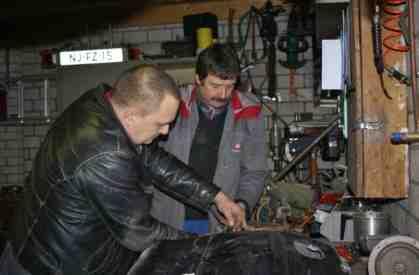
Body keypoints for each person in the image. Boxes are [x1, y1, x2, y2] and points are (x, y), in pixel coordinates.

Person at [7, 65, 246, 275]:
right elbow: (139, 232)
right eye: (161, 124)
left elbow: (153, 158)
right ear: (132, 116)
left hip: (54, 246)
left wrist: (216, 196)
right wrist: (208, 246)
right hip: (50, 265)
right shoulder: (105, 155)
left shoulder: (103, 104)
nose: (165, 132)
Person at [151, 43, 268, 234]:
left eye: (230, 86)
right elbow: (150, 159)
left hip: (221, 222)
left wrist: (242, 204)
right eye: (215, 86)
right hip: (169, 217)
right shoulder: (173, 105)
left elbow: (255, 170)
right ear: (198, 79)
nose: (223, 95)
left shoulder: (249, 112)